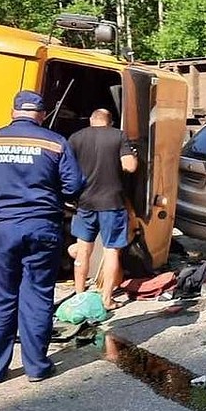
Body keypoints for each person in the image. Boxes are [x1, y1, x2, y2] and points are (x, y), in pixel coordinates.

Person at [0, 90, 84, 384]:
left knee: (1, 299)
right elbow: (73, 187)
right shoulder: (55, 143)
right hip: (41, 227)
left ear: (13, 112)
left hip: (1, 229)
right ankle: (36, 367)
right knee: (37, 297)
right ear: (42, 115)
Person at [67, 108, 138, 310]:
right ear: (110, 121)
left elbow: (66, 169)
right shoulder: (118, 136)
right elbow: (130, 166)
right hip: (112, 203)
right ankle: (107, 299)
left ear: (91, 120)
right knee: (111, 251)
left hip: (85, 202)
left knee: (82, 251)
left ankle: (79, 297)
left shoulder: (76, 138)